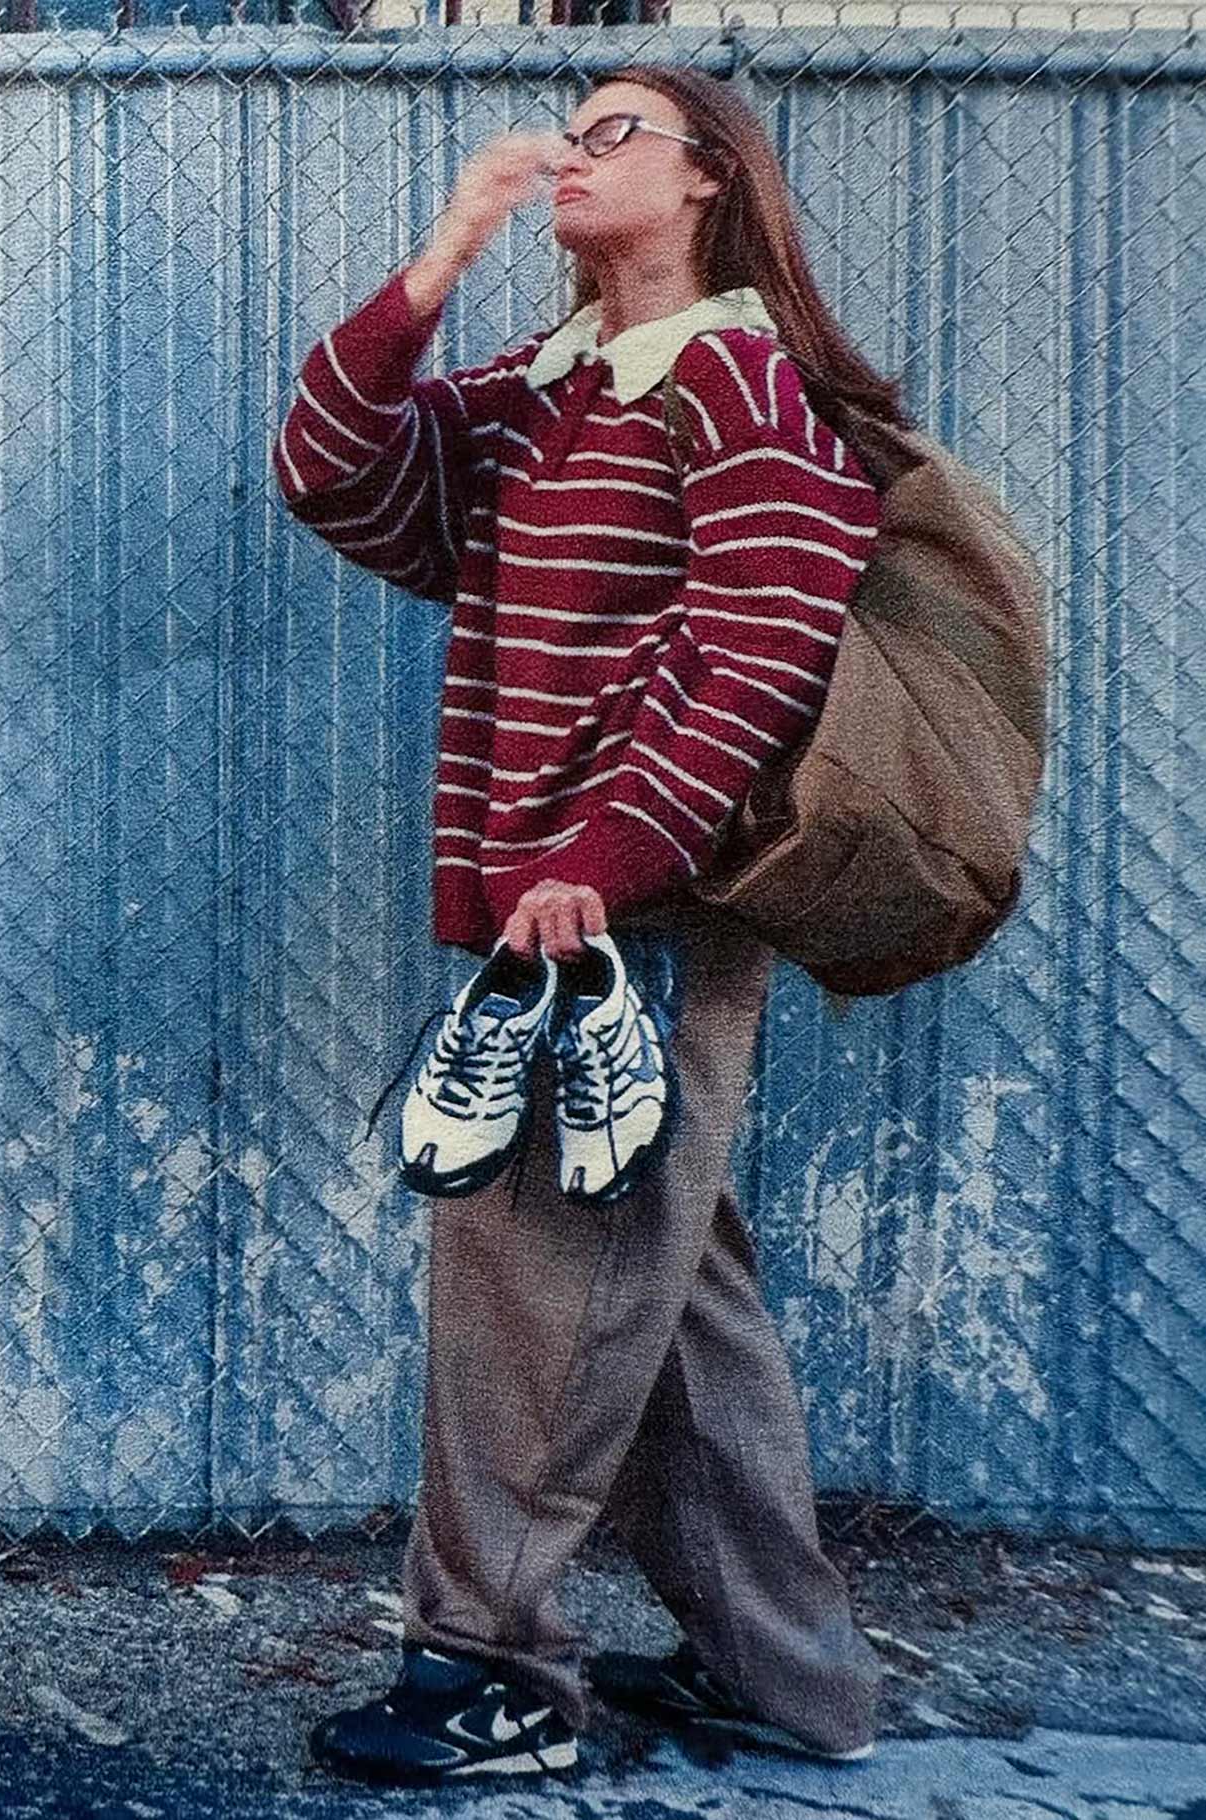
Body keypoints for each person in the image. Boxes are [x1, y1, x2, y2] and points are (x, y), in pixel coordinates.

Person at [273, 62, 908, 1787]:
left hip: (625, 916)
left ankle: (493, 1677)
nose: (571, 148)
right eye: (567, 125)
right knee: (668, 1304)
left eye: (613, 129)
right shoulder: (550, 383)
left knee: (532, 1307)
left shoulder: (735, 378)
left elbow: (764, 644)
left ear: (710, 177)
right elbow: (334, 472)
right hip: (562, 901)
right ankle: (792, 1683)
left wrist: (609, 857)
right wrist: (447, 250)